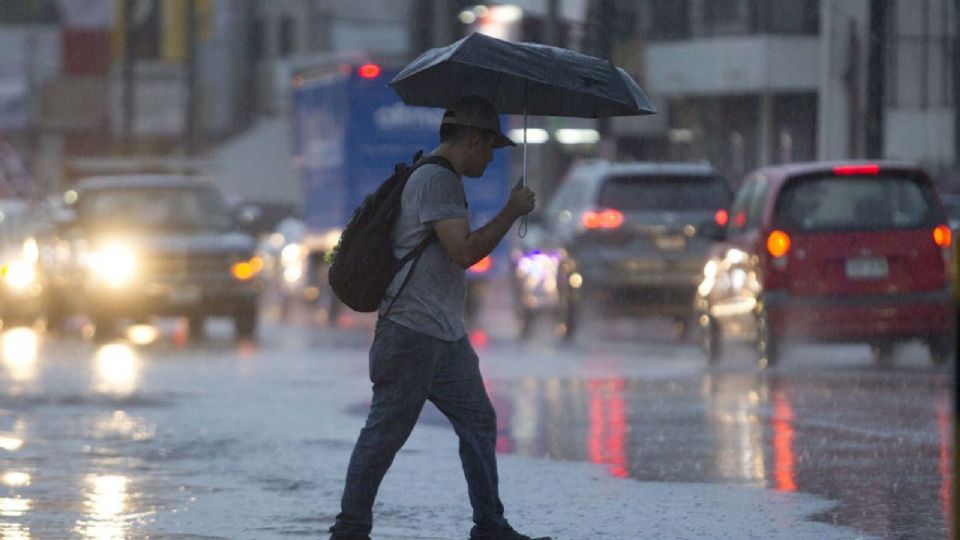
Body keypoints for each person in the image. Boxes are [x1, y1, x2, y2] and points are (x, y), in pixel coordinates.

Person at [329, 96, 550, 540]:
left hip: (444, 334)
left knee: (479, 422)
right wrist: (511, 211)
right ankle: (349, 529)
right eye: (490, 148)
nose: (491, 158)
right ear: (473, 139)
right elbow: (464, 251)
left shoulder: (439, 177)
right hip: (411, 332)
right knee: (385, 433)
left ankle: (490, 525)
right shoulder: (436, 181)